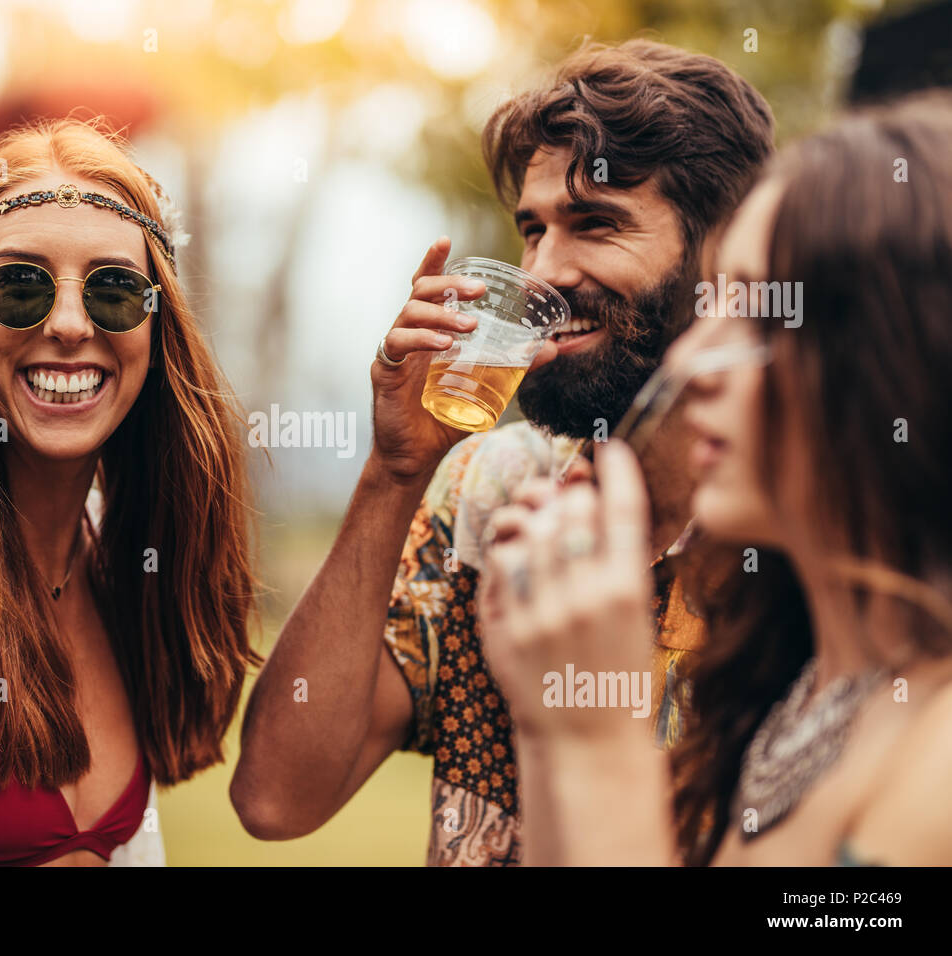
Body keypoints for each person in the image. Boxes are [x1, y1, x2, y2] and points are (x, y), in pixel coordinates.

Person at [232, 39, 775, 864]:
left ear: (722, 255)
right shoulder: (489, 490)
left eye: (595, 224)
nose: (544, 271)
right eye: (531, 230)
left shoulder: (799, 539)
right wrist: (396, 473)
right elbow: (276, 797)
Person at [477, 91, 952, 866]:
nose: (694, 361)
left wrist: (602, 746)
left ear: (905, 365)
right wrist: (549, 717)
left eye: (759, 319)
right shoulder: (794, 694)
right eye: (715, 305)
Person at [0, 118, 260, 866]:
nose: (66, 323)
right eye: (20, 285)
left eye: (114, 291)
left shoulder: (130, 560)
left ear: (157, 328)